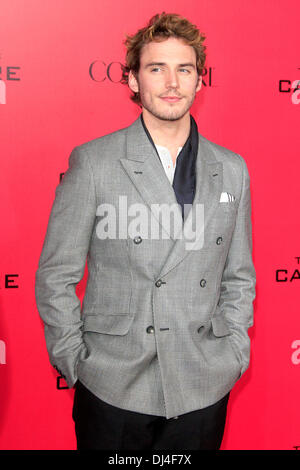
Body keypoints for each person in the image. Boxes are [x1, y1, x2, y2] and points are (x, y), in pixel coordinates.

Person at [35, 12, 256, 450]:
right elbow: (55, 274)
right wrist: (76, 362)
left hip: (202, 380)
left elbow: (239, 276)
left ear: (199, 81)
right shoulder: (95, 162)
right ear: (134, 80)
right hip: (114, 383)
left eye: (184, 69)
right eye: (156, 68)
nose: (172, 82)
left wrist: (233, 351)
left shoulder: (231, 169)